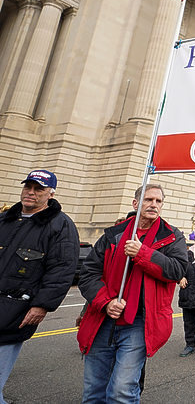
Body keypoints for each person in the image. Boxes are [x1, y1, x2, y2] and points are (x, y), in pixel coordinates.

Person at [78, 183, 188, 403]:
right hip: (103, 318)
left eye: (158, 201)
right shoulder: (114, 235)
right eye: (148, 200)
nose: (153, 205)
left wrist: (143, 253)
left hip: (139, 322)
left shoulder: (172, 236)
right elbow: (88, 274)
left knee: (121, 390)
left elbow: (177, 270)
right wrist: (106, 302)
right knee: (93, 390)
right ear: (136, 203)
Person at [0, 170, 79, 404]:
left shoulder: (60, 225)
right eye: (28, 187)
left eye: (39, 189)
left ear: (50, 193)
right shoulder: (5, 219)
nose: (31, 193)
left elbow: (62, 270)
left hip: (16, 311)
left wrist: (42, 305)